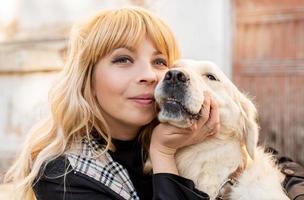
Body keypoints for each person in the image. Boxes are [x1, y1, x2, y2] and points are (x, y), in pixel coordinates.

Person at [4, 6, 304, 200]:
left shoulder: (163, 126)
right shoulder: (64, 177)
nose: (149, 75)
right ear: (87, 80)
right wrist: (163, 155)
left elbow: (274, 161)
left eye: (159, 61)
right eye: (123, 59)